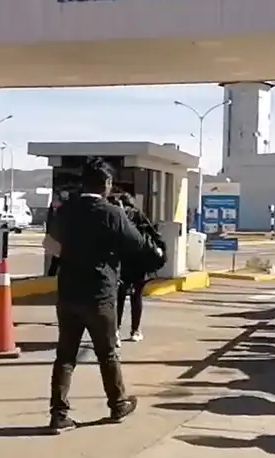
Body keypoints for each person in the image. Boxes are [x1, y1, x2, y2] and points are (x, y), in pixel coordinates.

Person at [46, 157, 163, 433]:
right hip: (99, 293)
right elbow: (137, 245)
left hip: (68, 292)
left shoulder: (65, 210)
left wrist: (73, 254)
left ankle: (58, 415)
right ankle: (118, 403)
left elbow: (50, 245)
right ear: (107, 183)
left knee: (65, 356)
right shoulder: (112, 213)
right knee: (107, 353)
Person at [113, 192, 165, 344]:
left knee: (120, 297)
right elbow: (154, 233)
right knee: (136, 296)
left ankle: (116, 331)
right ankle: (135, 330)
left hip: (122, 262)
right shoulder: (138, 214)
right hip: (139, 262)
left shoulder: (118, 216)